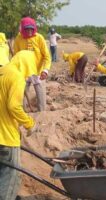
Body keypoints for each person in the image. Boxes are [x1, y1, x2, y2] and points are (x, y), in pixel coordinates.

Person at [0, 50, 38, 200]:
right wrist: (29, 123)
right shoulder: (16, 76)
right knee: (10, 176)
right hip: (6, 136)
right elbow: (14, 106)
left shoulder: (2, 70)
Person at [13, 17, 51, 111]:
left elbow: (46, 56)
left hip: (38, 71)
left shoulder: (39, 38)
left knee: (40, 93)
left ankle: (42, 113)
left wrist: (45, 71)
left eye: (31, 28)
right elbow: (16, 56)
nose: (29, 31)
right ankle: (23, 114)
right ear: (22, 29)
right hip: (24, 72)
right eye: (26, 29)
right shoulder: (18, 38)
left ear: (34, 28)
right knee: (21, 94)